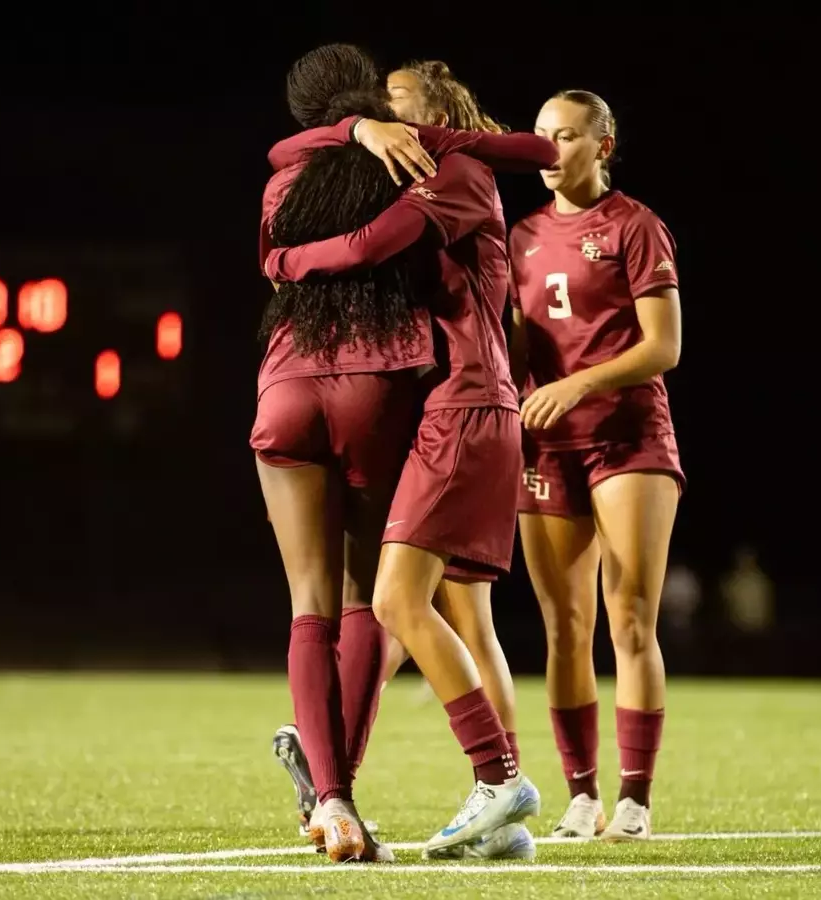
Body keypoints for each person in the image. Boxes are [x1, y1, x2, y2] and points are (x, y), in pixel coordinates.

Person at [264, 65, 555, 857]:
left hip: (462, 404)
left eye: (393, 99)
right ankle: (490, 814)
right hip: (441, 405)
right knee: (436, 612)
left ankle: (495, 779)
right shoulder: (400, 154)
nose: (380, 109)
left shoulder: (455, 170)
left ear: (431, 110)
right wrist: (359, 131)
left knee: (396, 605)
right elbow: (291, 146)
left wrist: (283, 263)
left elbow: (369, 242)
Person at [509, 90, 684, 842]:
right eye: (542, 135)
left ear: (603, 145)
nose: (551, 149)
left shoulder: (635, 227)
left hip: (627, 438)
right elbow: (516, 343)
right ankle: (581, 797)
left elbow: (663, 346)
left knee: (631, 619)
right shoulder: (516, 235)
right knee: (563, 627)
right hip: (546, 446)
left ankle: (635, 799)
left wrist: (578, 384)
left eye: (568, 136)